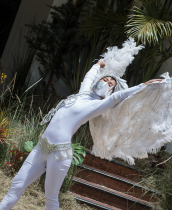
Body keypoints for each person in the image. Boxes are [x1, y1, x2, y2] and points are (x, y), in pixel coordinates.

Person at [0, 60, 161, 210]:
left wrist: (143, 85)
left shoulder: (97, 105)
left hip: (60, 155)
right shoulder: (82, 94)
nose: (106, 83)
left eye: (110, 84)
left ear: (110, 91)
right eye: (104, 80)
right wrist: (98, 65)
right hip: (41, 148)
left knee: (50, 197)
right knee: (16, 185)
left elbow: (118, 97)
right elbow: (88, 77)